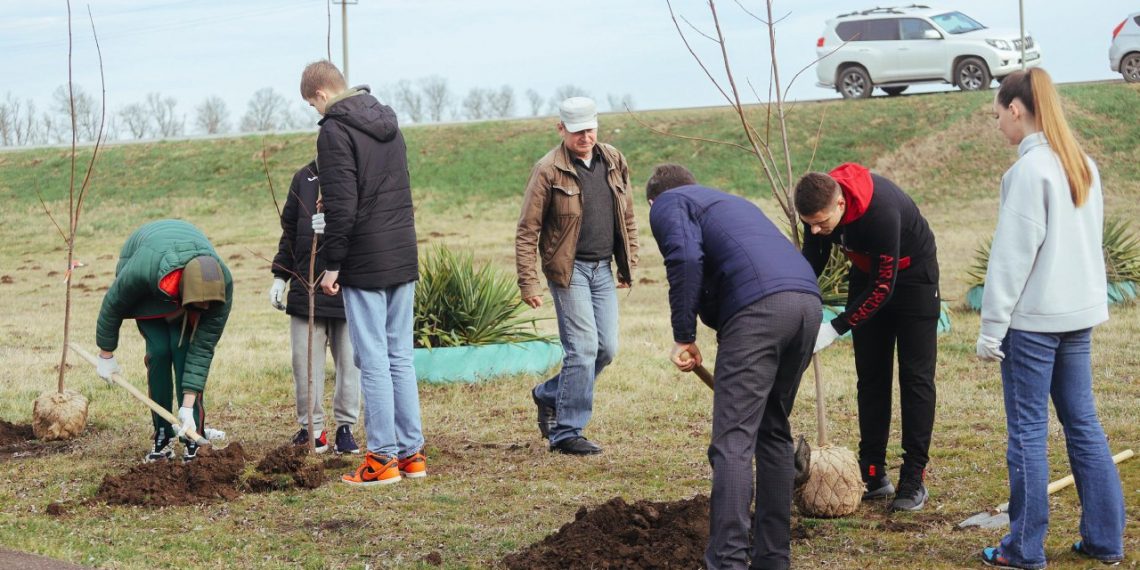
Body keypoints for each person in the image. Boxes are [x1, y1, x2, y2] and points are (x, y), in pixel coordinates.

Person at [977, 67, 1124, 569]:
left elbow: (1011, 258)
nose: (998, 125)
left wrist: (991, 329)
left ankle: (1023, 548)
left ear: (1016, 110)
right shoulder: (1081, 163)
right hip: (1077, 315)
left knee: (1028, 434)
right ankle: (1105, 540)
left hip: (1033, 322)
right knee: (1084, 424)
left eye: (998, 115)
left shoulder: (1028, 172)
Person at [647, 164, 820, 570]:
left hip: (759, 311)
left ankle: (727, 561)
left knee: (733, 442)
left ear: (656, 200)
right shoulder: (729, 202)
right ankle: (773, 559)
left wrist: (684, 334)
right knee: (773, 432)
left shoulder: (669, 202)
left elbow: (686, 258)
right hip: (806, 304)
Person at [300, 60, 425, 486]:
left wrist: (333, 264)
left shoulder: (334, 131)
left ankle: (382, 460)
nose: (316, 114)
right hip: (402, 252)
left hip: (365, 260)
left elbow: (344, 204)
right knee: (399, 357)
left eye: (312, 106)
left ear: (320, 95)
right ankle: (411, 455)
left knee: (372, 359)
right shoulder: (388, 121)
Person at [795, 162, 940, 512]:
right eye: (809, 223)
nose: (816, 231)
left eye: (821, 223)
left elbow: (884, 287)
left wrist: (836, 327)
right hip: (867, 274)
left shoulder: (881, 211)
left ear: (841, 205)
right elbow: (811, 260)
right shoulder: (816, 205)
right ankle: (873, 473)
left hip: (912, 279)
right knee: (871, 378)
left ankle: (913, 478)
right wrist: (795, 292)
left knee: (915, 379)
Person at [515, 96, 639, 456]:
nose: (585, 137)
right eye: (577, 131)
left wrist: (628, 264)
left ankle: (549, 393)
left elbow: (626, 215)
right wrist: (528, 281)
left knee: (607, 349)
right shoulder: (548, 170)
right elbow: (528, 229)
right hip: (569, 272)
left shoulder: (613, 160)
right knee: (582, 349)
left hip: (603, 268)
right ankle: (567, 431)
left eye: (590, 129)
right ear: (561, 130)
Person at [94, 219, 232, 463]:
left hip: (180, 281)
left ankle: (193, 433)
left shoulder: (221, 286)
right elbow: (112, 304)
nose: (206, 310)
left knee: (184, 350)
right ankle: (162, 433)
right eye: (200, 307)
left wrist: (187, 408)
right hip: (149, 283)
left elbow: (202, 351)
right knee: (159, 352)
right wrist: (107, 354)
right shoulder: (140, 271)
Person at [269, 160, 362, 455]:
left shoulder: (355, 175)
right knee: (304, 363)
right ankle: (313, 429)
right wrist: (280, 276)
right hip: (304, 290)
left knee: (349, 363)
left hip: (346, 288)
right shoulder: (304, 179)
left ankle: (345, 427)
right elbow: (290, 234)